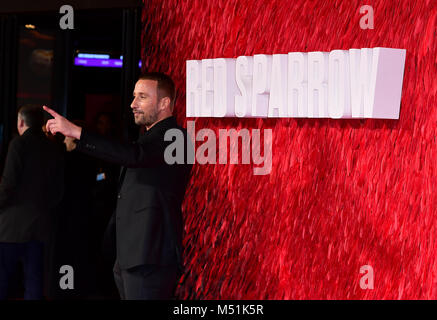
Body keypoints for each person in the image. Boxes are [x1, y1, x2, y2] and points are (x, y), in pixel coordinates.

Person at [43, 72, 193, 300]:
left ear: (164, 103)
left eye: (142, 97)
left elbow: (135, 156)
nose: (133, 104)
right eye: (134, 96)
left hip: (150, 256)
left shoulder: (176, 137)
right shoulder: (150, 138)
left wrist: (76, 132)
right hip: (132, 256)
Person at [0, 104, 64, 300]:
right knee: (35, 282)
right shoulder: (54, 147)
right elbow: (58, 189)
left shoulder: (18, 144)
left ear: (21, 122)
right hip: (41, 225)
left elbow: (9, 183)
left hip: (11, 227)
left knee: (3, 280)